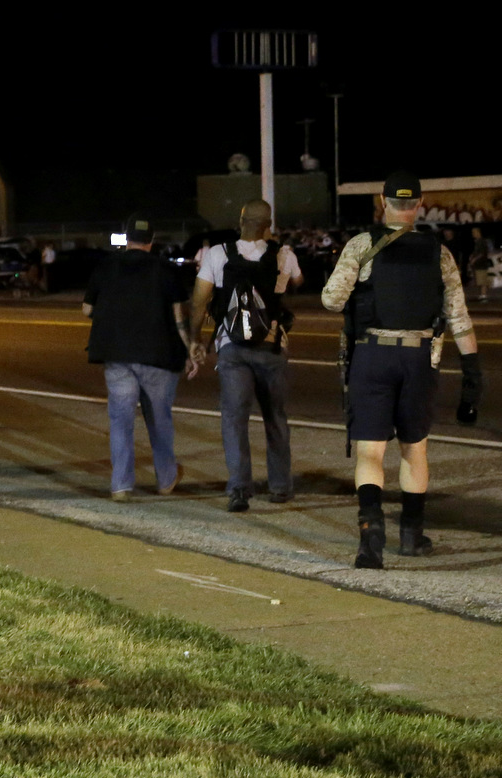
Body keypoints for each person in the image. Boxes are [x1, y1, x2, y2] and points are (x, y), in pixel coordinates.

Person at [321, 171, 482, 569]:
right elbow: (457, 316)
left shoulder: (362, 245)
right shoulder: (438, 253)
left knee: (370, 451)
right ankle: (411, 534)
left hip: (372, 354)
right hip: (419, 357)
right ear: (419, 204)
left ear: (383, 200)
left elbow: (330, 300)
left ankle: (371, 534)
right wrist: (472, 370)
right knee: (414, 449)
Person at [188, 199, 304, 512]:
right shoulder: (283, 254)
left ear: (241, 221)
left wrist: (196, 339)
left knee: (234, 418)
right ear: (269, 225)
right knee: (275, 417)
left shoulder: (217, 254)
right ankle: (280, 487)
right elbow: (297, 282)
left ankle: (239, 488)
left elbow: (199, 302)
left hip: (232, 347)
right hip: (271, 345)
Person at [82, 214, 195, 502]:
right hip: (159, 355)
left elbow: (86, 310)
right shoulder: (167, 270)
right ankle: (166, 479)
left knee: (121, 421)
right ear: (152, 241)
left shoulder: (106, 267)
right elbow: (179, 316)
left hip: (117, 354)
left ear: (126, 238)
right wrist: (192, 348)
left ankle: (121, 485)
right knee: (159, 418)